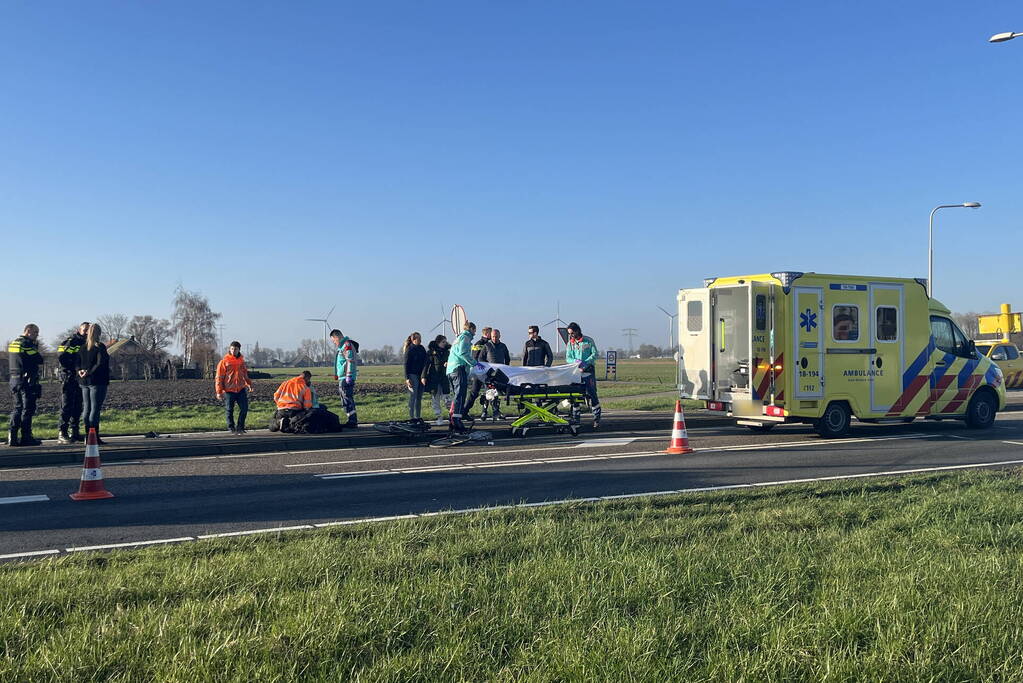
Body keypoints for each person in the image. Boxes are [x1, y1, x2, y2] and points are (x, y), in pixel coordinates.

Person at [7, 323, 44, 447]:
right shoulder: (26, 344)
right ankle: (26, 437)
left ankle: (12, 436)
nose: (37, 336)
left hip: (14, 379)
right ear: (28, 331)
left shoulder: (13, 343)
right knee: (27, 409)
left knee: (17, 408)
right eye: (35, 333)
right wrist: (35, 347)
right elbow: (39, 359)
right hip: (27, 380)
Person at [56, 321, 89, 444]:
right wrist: (71, 369)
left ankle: (75, 432)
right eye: (85, 329)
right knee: (67, 404)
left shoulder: (86, 342)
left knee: (78, 405)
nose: (86, 332)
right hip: (69, 377)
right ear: (79, 330)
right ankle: (62, 432)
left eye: (88, 330)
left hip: (79, 377)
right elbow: (61, 356)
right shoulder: (71, 341)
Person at [77, 323, 111, 444]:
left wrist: (80, 371)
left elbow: (77, 362)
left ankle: (87, 435)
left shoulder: (82, 347)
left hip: (83, 381)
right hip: (97, 381)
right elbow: (100, 363)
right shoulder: (100, 347)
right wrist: (90, 372)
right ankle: (94, 436)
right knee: (95, 409)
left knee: (86, 408)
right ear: (99, 333)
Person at [565, 322, 601, 429]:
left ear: (577, 331)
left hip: (588, 371)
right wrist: (575, 361)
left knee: (592, 393)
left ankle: (596, 418)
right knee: (575, 395)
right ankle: (576, 419)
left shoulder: (588, 341)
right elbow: (568, 357)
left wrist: (585, 362)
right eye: (569, 334)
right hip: (576, 372)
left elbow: (594, 354)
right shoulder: (570, 344)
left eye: (572, 333)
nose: (571, 336)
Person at [216, 341, 254, 435]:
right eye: (232, 349)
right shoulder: (224, 362)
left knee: (244, 408)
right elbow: (219, 377)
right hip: (229, 389)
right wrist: (219, 391)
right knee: (229, 410)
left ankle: (240, 427)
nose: (233, 351)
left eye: (235, 349)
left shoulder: (242, 361)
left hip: (241, 388)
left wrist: (249, 384)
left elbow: (245, 374)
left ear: (239, 350)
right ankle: (231, 427)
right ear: (229, 349)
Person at [447, 321, 476, 433]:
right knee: (460, 395)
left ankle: (452, 418)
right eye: (474, 331)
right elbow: (463, 353)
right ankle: (457, 420)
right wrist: (474, 363)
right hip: (459, 369)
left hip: (450, 370)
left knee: (456, 395)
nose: (474, 333)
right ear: (471, 329)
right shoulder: (465, 337)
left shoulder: (458, 338)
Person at [330, 329, 358, 427]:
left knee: (347, 398)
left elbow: (349, 360)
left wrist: (348, 376)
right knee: (345, 398)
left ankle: (352, 420)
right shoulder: (342, 346)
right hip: (343, 377)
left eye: (333, 340)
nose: (334, 342)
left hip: (346, 377)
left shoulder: (346, 345)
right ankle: (351, 419)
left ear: (336, 337)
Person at [464, 326, 494, 416]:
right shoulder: (479, 343)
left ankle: (485, 411)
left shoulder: (489, 343)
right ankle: (465, 411)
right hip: (480, 372)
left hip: (486, 372)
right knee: (474, 392)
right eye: (490, 333)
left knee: (490, 392)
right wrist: (481, 368)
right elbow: (474, 358)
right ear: (487, 333)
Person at [422, 334, 451, 425]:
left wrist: (448, 363)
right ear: (438, 342)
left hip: (444, 378)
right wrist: (423, 376)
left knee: (446, 398)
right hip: (434, 378)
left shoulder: (448, 352)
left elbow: (453, 362)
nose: (444, 344)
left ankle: (452, 415)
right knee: (435, 398)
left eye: (445, 342)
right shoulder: (431, 352)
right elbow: (426, 365)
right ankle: (439, 417)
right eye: (443, 342)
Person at [402, 332, 428, 423]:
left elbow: (425, 362)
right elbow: (406, 364)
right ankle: (411, 417)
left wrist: (424, 375)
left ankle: (418, 416)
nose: (420, 340)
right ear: (414, 340)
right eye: (418, 339)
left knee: (419, 397)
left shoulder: (422, 349)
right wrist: (407, 378)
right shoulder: (409, 350)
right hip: (412, 375)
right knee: (413, 396)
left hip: (420, 375)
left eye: (421, 338)